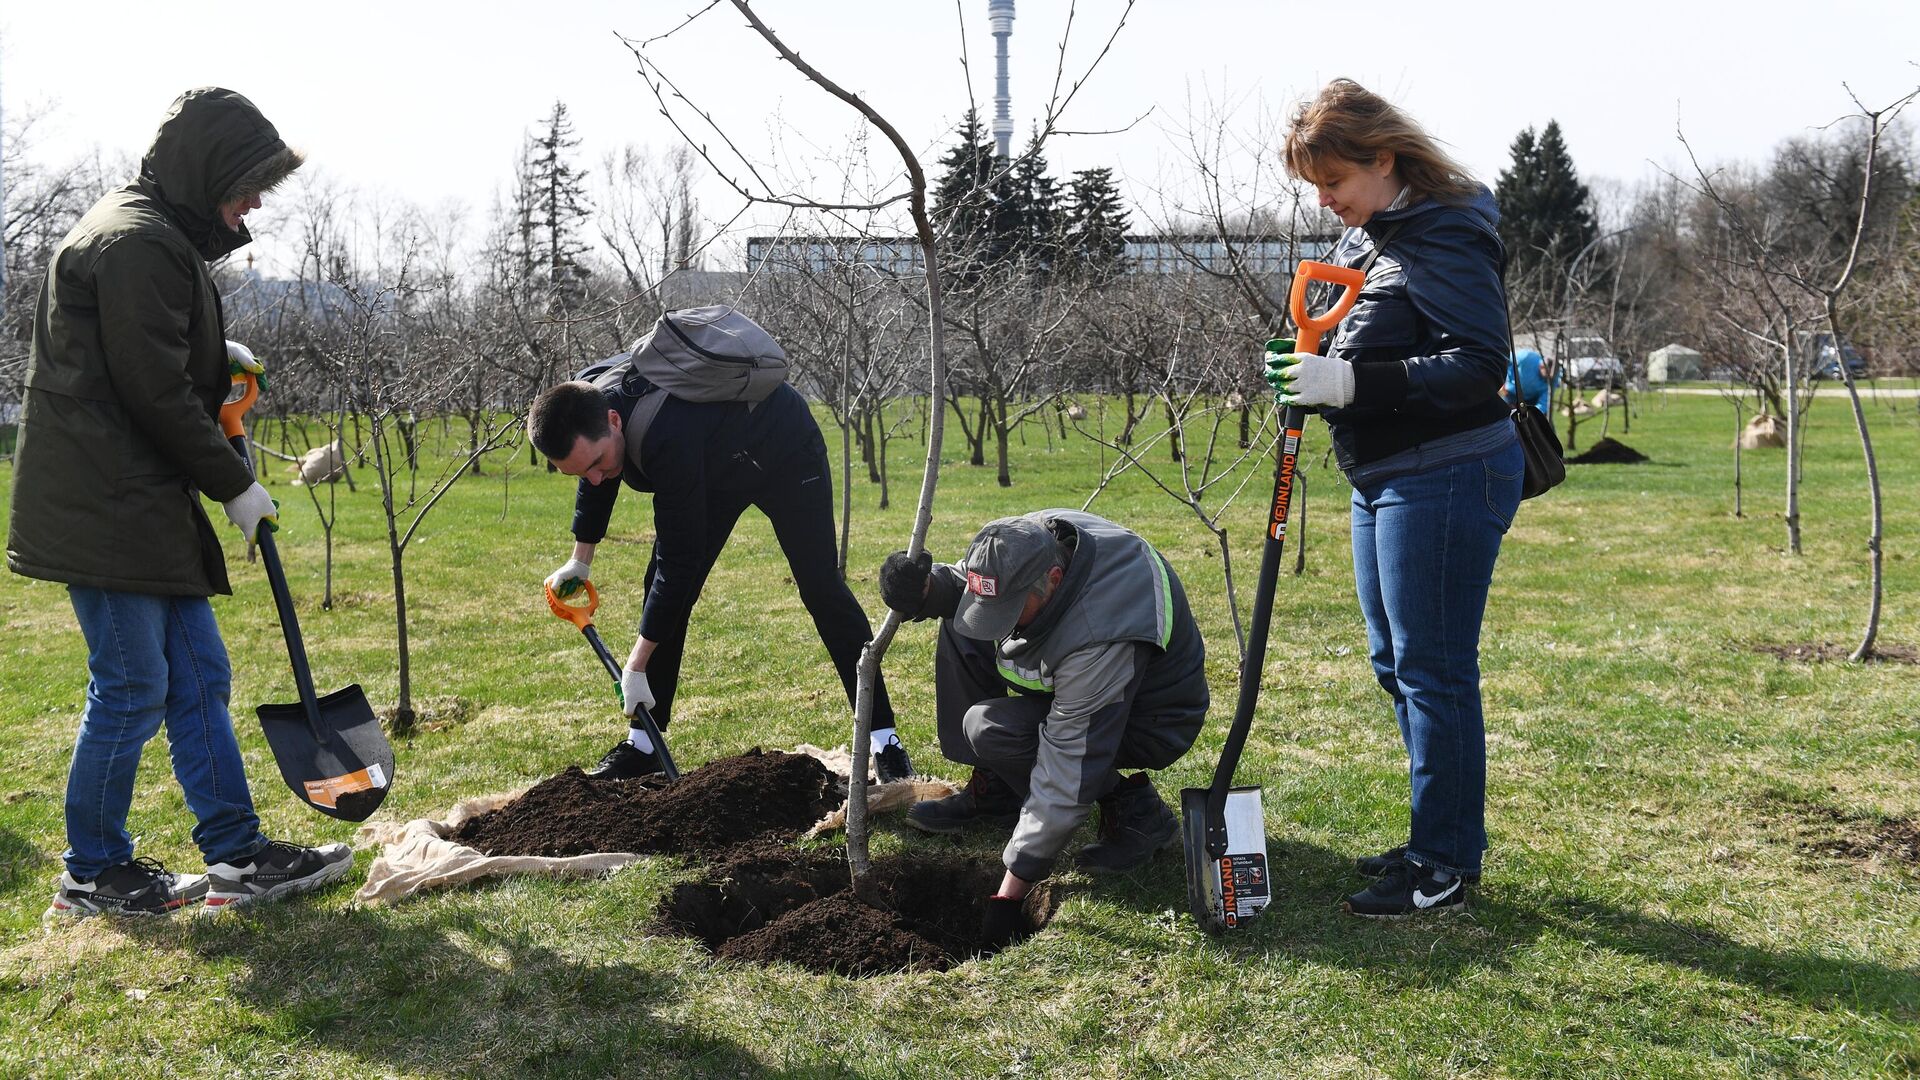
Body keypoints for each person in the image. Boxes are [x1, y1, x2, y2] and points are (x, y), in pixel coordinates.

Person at [8, 88, 353, 917]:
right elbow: (154, 392)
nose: (257, 202)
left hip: (134, 494)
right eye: (249, 184)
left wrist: (212, 357)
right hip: (107, 504)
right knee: (130, 687)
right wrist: (235, 485)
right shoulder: (138, 243)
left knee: (199, 676)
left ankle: (236, 858)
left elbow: (144, 357)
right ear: (206, 173)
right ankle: (92, 873)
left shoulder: (150, 234)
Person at [1264, 78, 1522, 918]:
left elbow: (1479, 363)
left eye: (1333, 181)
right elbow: (1385, 336)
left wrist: (1347, 379)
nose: (1327, 201)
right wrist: (1316, 369)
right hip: (1387, 475)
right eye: (1316, 187)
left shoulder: (1445, 230)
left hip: (1446, 470)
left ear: (1383, 158)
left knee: (1432, 668)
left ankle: (1441, 861)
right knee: (1396, 664)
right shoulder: (1384, 235)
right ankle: (1435, 835)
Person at [528, 344, 914, 782]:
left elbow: (681, 562)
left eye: (598, 463)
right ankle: (644, 745)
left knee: (821, 589)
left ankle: (884, 740)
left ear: (614, 420)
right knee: (659, 582)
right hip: (716, 462)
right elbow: (595, 472)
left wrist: (635, 666)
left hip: (785, 449)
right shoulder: (587, 400)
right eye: (580, 473)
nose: (595, 477)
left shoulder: (664, 433)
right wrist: (581, 559)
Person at [878, 510, 1208, 950]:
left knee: (994, 730)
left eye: (1014, 610)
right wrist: (923, 589)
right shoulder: (1022, 541)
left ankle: (1134, 808)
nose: (1004, 623)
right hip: (1072, 680)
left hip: (1148, 715)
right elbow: (970, 584)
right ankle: (997, 788)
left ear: (1054, 578)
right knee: (964, 624)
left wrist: (1010, 892)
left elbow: (1069, 762)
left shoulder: (1102, 628)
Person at [1503, 347, 1555, 415]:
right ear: (1542, 366)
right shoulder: (1526, 357)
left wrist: (1534, 414)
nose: (1548, 377)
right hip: (1511, 393)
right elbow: (1506, 360)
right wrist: (1504, 381)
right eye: (1547, 373)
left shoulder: (1553, 377)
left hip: (1532, 400)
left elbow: (1545, 401)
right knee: (1507, 418)